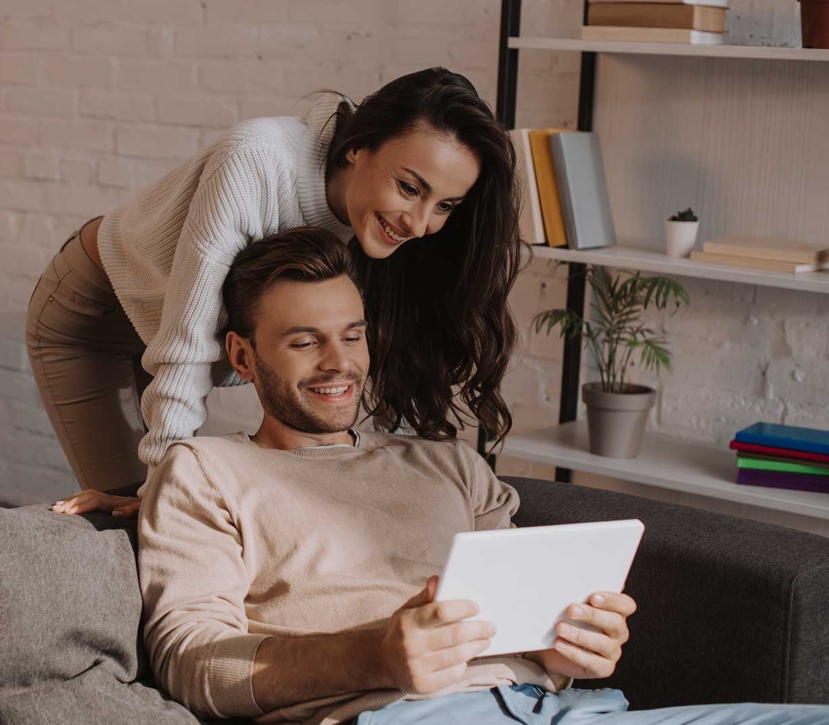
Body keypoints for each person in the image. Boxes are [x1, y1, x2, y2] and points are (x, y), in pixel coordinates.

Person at [136, 228, 829, 725]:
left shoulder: (449, 464)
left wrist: (568, 648)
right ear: (244, 356)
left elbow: (525, 623)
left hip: (562, 709)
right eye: (302, 340)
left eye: (351, 333)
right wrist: (374, 654)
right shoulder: (206, 470)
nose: (338, 362)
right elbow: (193, 662)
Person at [39, 66, 522, 516]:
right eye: (409, 188)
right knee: (148, 512)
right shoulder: (255, 161)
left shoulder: (388, 231)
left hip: (172, 327)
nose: (420, 224)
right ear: (358, 148)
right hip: (93, 314)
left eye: (446, 205)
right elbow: (187, 345)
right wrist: (162, 491)